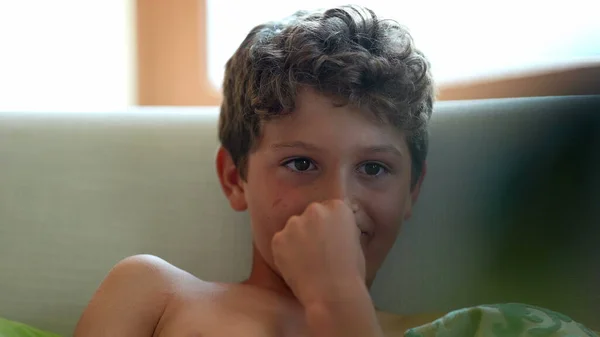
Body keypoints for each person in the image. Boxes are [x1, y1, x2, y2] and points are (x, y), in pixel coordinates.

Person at [73, 4, 599, 337]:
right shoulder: (157, 294)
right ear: (236, 179)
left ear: (413, 187)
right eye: (300, 163)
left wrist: (337, 302)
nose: (335, 203)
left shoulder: (491, 329)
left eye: (373, 167)